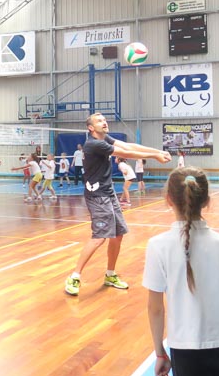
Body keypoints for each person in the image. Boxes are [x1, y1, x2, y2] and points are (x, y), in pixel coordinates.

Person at [144, 168, 219, 376]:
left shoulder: (158, 246)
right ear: (207, 201)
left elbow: (155, 309)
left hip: (184, 349)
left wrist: (160, 352)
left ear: (169, 200)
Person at [64, 113, 171, 296]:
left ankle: (110, 275)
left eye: (104, 120)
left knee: (118, 234)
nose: (104, 122)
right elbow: (126, 153)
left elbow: (129, 146)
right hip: (97, 196)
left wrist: (158, 151)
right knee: (99, 237)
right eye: (99, 121)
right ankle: (74, 276)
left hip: (109, 192)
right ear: (91, 128)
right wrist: (155, 155)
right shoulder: (93, 144)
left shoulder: (104, 138)